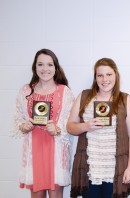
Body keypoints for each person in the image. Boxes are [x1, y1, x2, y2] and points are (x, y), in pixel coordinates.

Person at [67, 58, 130, 198]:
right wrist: (86, 126)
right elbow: (70, 127)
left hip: (116, 169)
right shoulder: (84, 96)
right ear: (95, 78)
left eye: (109, 74)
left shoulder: (125, 99)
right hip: (90, 167)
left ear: (116, 76)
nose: (104, 79)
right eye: (100, 75)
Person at [10, 48, 74, 198]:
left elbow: (70, 122)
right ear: (35, 67)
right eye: (40, 64)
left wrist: (57, 129)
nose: (45, 69)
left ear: (56, 68)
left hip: (56, 151)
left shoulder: (64, 92)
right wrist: (23, 126)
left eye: (50, 65)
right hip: (34, 149)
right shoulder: (25, 91)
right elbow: (17, 118)